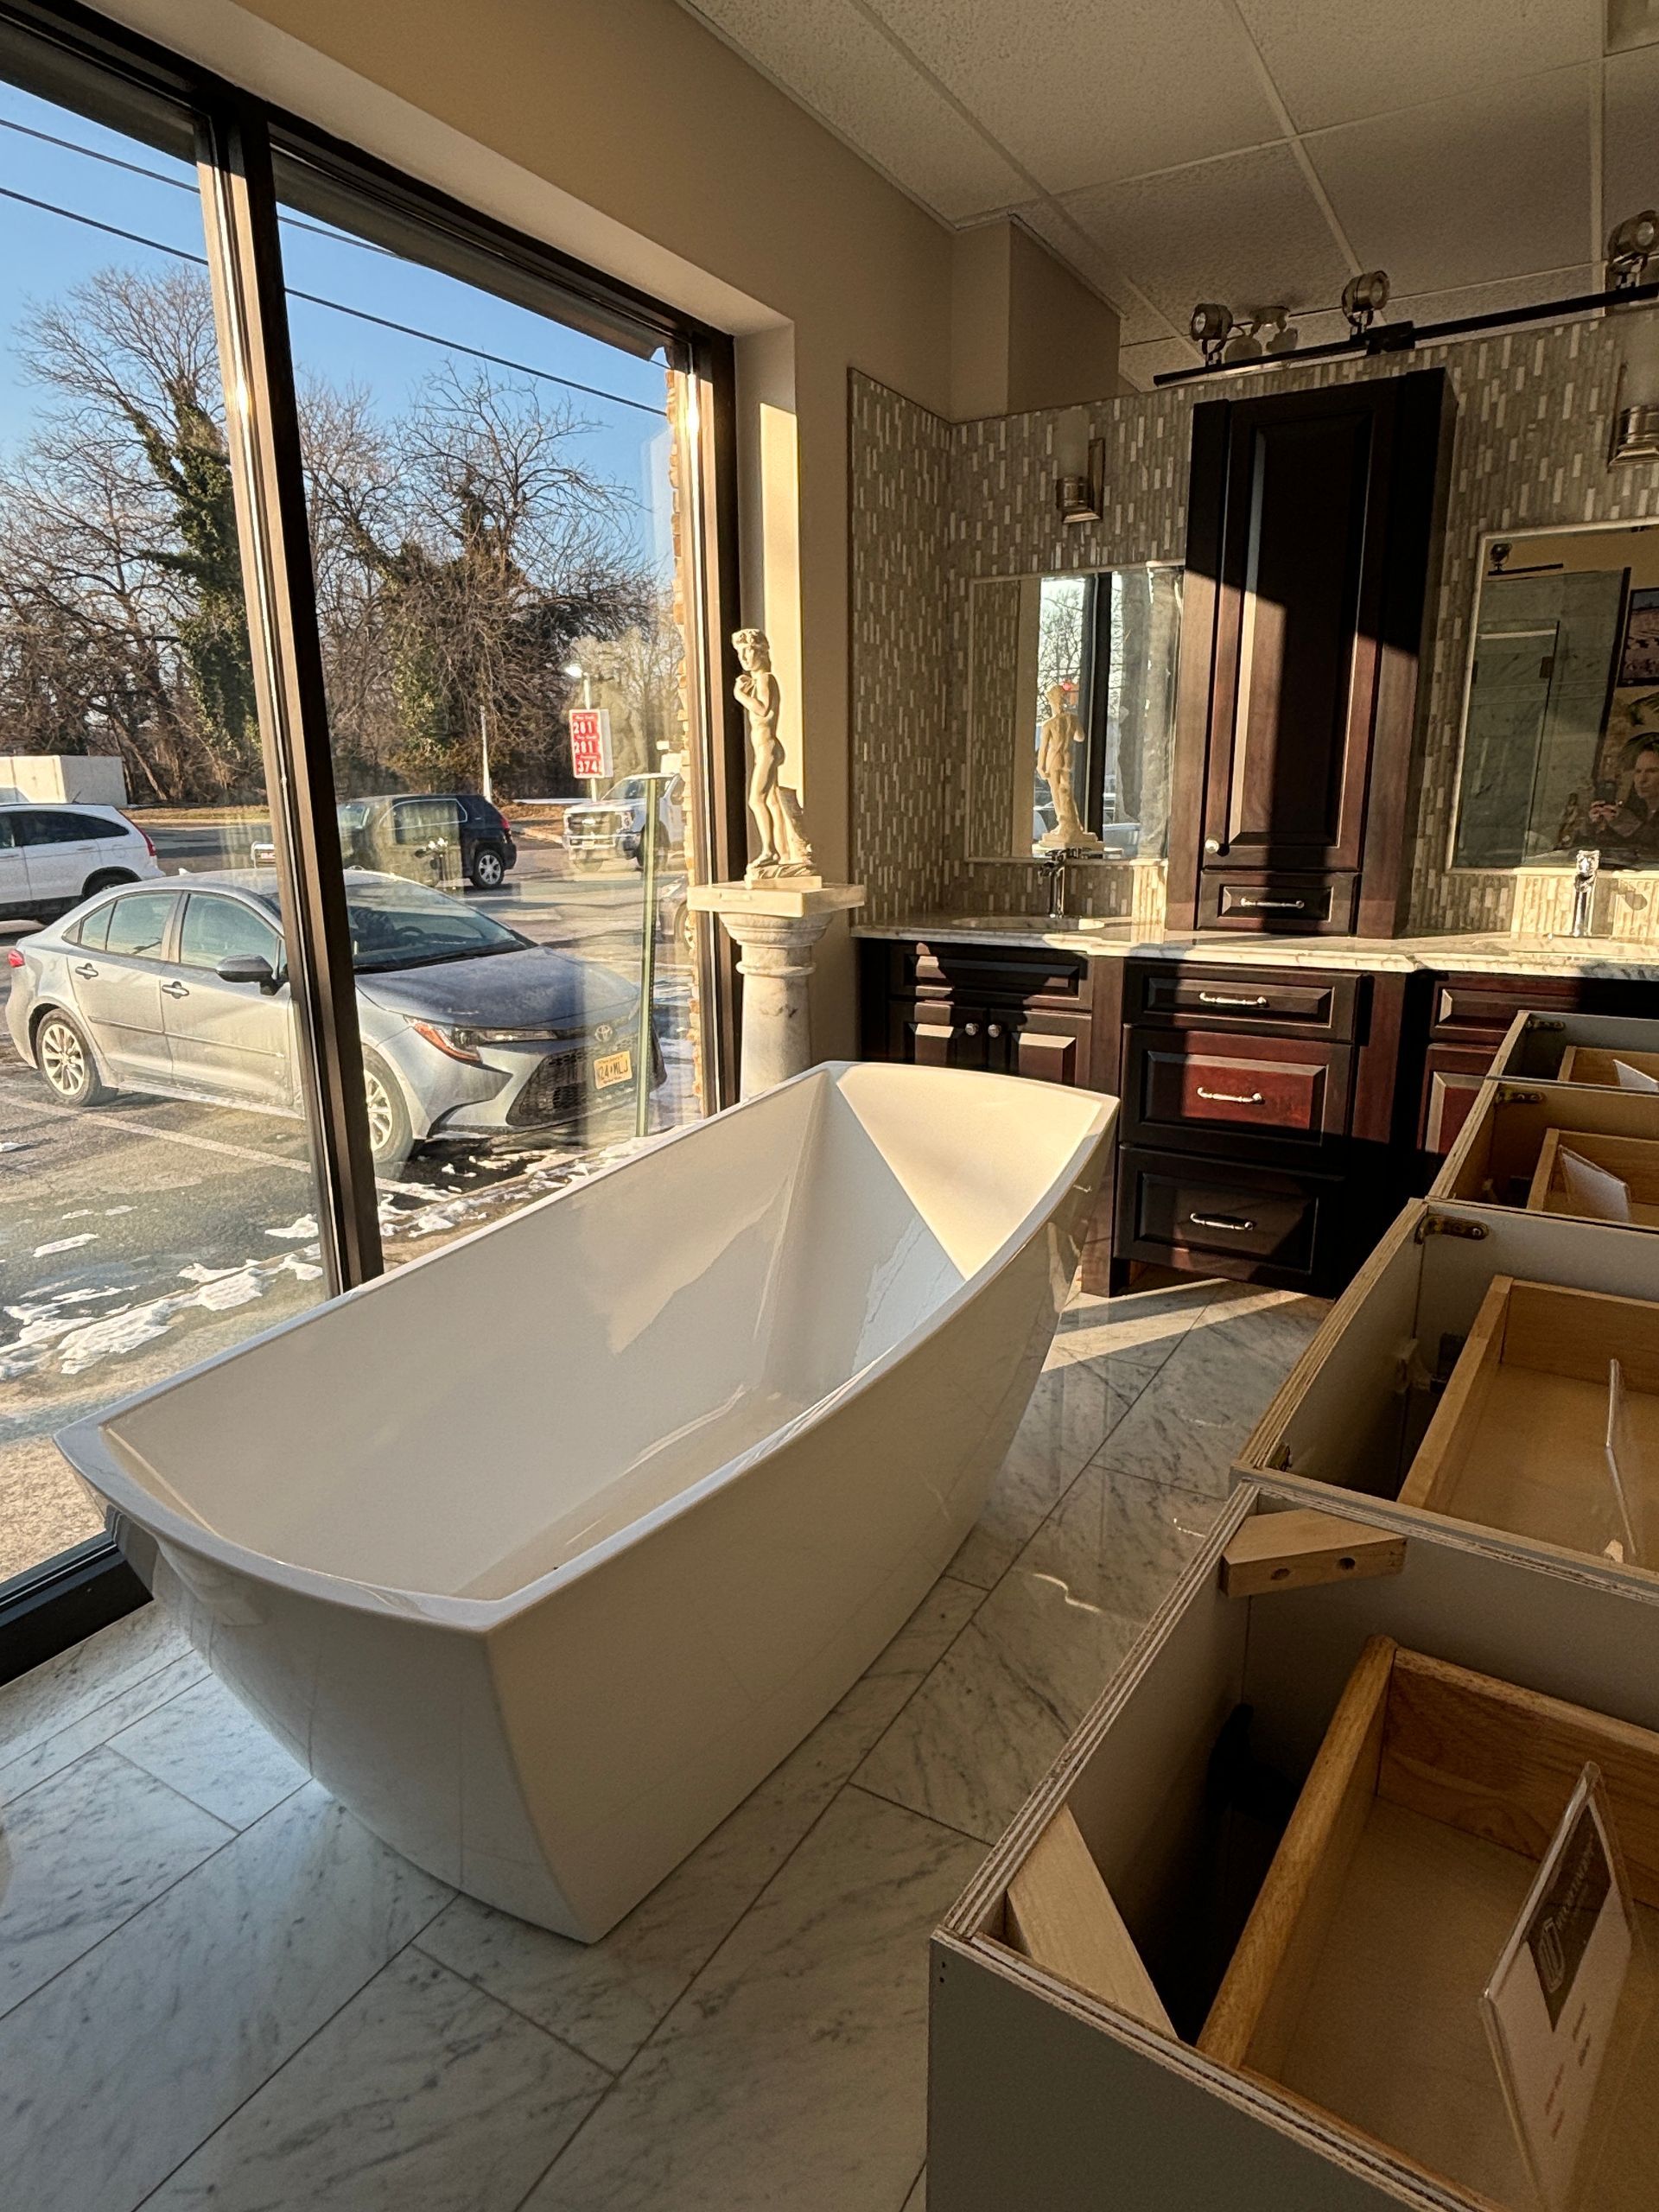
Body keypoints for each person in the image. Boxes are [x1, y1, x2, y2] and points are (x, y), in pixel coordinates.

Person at [1590, 738, 1659, 863]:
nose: (1642, 779)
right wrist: (1596, 826)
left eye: (1652, 771)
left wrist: (1633, 827)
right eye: (1638, 771)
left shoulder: (1630, 817)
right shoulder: (1634, 810)